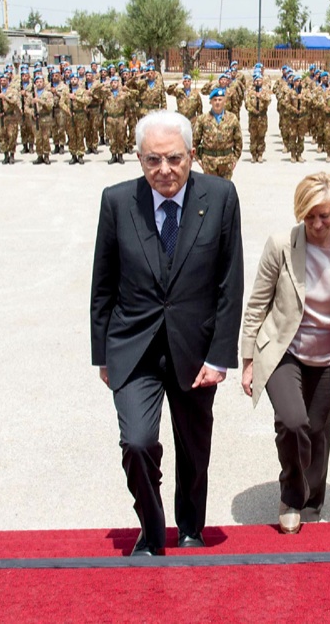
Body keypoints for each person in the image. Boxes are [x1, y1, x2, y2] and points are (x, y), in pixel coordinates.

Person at [90, 109, 243, 556]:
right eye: (153, 160)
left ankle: (191, 527)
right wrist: (103, 354)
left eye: (174, 158)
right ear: (138, 159)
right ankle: (152, 527)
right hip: (133, 348)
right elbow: (103, 283)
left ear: (191, 155)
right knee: (137, 443)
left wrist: (220, 357)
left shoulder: (220, 197)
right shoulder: (117, 202)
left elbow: (228, 284)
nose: (165, 170)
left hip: (195, 349)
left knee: (194, 449)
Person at [240, 172, 330, 534]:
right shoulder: (281, 244)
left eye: (324, 216)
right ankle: (292, 496)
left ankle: (313, 493)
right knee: (293, 422)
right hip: (285, 351)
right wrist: (248, 361)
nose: (316, 223)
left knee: (318, 430)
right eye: (309, 215)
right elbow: (257, 303)